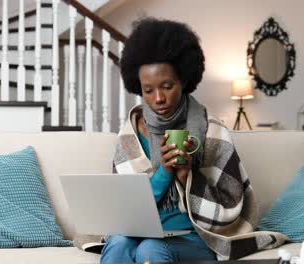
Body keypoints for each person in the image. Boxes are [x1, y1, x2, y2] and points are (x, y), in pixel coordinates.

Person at [99, 18, 287, 263]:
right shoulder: (130, 133)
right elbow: (121, 210)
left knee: (150, 249)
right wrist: (164, 173)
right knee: (118, 242)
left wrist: (188, 177)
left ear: (184, 80)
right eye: (148, 90)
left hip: (196, 237)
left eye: (167, 86)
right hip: (141, 232)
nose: (158, 98)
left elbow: (231, 204)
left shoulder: (212, 131)